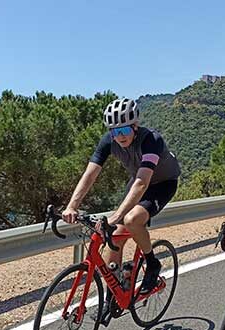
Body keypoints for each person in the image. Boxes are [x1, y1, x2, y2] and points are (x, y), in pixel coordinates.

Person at [62, 97, 181, 295]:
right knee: (115, 237)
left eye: (124, 130)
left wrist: (116, 217)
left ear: (135, 126)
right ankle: (115, 291)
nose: (120, 136)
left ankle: (152, 263)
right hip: (136, 183)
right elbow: (90, 174)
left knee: (132, 219)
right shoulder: (109, 141)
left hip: (162, 184)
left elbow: (143, 183)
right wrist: (72, 206)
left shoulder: (152, 140)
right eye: (115, 131)